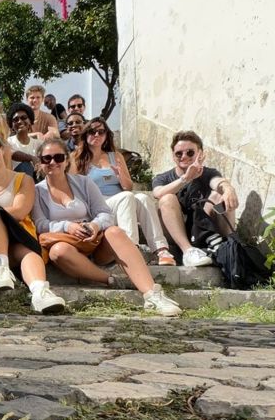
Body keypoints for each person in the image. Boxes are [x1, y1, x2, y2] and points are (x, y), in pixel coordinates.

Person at [32, 138, 181, 316]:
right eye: (46, 159)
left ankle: (152, 295)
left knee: (115, 232)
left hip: (94, 241)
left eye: (58, 157)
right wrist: (67, 226)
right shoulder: (37, 191)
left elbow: (105, 213)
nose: (53, 162)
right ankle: (109, 280)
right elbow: (40, 223)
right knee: (58, 251)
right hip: (67, 244)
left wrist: (94, 225)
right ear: (40, 163)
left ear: (66, 160)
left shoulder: (83, 183)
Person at [0, 135, 66, 313]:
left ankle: (40, 291)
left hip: (17, 238)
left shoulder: (23, 179)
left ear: (3, 150)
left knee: (27, 252)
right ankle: (1, 268)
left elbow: (20, 211)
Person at [76, 118, 175, 266]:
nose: (96, 135)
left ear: (106, 135)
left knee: (142, 198)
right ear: (85, 135)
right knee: (127, 197)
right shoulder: (77, 158)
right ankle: (131, 250)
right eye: (92, 131)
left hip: (121, 202)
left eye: (101, 132)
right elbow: (75, 190)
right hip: (98, 207)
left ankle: (161, 250)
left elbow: (128, 187)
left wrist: (120, 175)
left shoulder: (115, 156)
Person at [151, 130, 238, 267]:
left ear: (200, 153)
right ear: (173, 156)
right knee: (167, 198)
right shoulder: (163, 178)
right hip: (175, 232)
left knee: (219, 195)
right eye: (179, 153)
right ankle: (188, 251)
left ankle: (229, 246)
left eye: (190, 152)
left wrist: (228, 189)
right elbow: (158, 193)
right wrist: (185, 179)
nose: (184, 157)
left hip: (203, 228)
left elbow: (218, 182)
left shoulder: (208, 173)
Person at [7, 103, 42, 176]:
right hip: (16, 181)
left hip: (36, 180)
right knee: (25, 166)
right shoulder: (8, 142)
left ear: (30, 121)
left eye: (24, 117)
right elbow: (12, 153)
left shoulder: (39, 144)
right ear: (12, 125)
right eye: (15, 119)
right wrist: (31, 158)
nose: (19, 121)